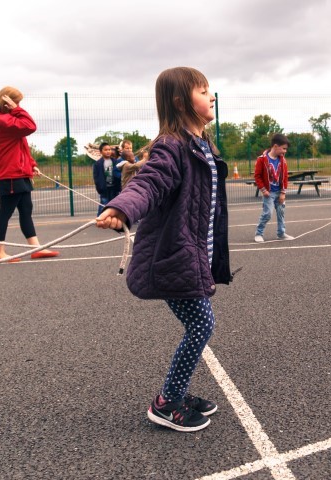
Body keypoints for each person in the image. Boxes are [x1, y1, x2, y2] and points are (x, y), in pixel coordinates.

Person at [95, 67, 232, 432]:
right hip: (174, 257)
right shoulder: (171, 146)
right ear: (180, 102)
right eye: (203, 91)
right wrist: (122, 208)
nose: (212, 96)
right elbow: (150, 183)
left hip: (192, 256)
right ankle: (167, 403)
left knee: (199, 325)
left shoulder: (202, 144)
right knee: (201, 325)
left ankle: (177, 392)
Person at [0, 86, 58, 262]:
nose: (18, 105)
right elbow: (30, 126)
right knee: (5, 212)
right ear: (7, 102)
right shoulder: (3, 120)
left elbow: (21, 146)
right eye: (16, 102)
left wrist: (31, 165)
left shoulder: (8, 120)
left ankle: (36, 248)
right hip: (10, 174)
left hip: (18, 173)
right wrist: (16, 109)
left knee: (26, 210)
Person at [253, 133, 294, 242]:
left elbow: (285, 176)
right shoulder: (262, 159)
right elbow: (257, 176)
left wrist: (283, 192)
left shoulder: (283, 160)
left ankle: (281, 233)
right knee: (267, 213)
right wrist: (263, 189)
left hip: (279, 192)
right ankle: (259, 233)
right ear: (275, 146)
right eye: (283, 148)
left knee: (281, 213)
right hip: (268, 193)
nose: (285, 151)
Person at [92, 142, 122, 216]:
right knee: (103, 205)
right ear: (101, 151)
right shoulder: (98, 164)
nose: (108, 151)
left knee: (115, 205)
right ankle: (99, 218)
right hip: (104, 189)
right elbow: (96, 177)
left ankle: (114, 218)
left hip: (114, 188)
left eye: (109, 149)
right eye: (105, 150)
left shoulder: (115, 161)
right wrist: (100, 188)